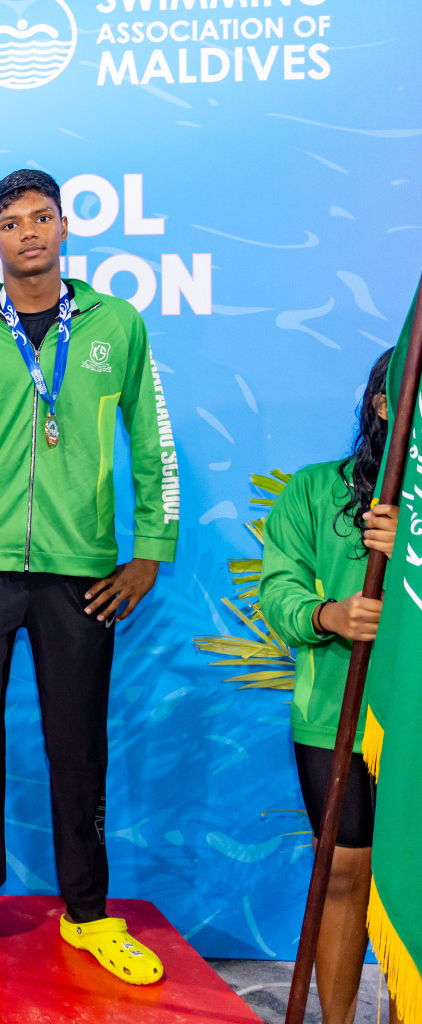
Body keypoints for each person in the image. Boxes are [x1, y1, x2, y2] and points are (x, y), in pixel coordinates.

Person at [0, 169, 178, 983]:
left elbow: (151, 438)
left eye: (41, 217)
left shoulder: (116, 325)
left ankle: (87, 914)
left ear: (63, 227)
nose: (28, 233)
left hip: (81, 573)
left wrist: (150, 548)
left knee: (77, 748)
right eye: (10, 222)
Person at [259, 349, 399, 1024]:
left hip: (413, 718)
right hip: (332, 715)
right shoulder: (314, 491)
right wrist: (330, 616)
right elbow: (278, 590)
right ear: (380, 403)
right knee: (343, 872)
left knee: (413, 884)